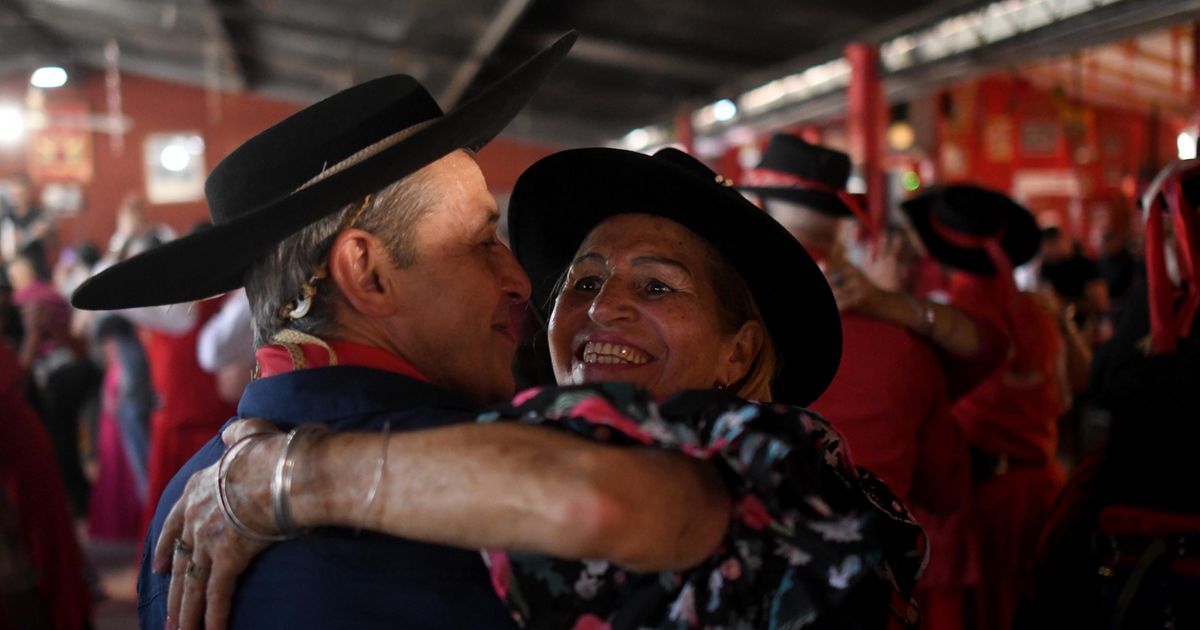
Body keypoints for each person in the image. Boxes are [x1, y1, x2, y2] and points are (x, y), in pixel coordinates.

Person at [148, 143, 925, 630]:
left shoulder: (201, 497)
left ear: (740, 352)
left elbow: (603, 497)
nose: (527, 282)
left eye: (658, 288)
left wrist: (281, 479)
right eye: (580, 281)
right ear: (369, 272)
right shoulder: (465, 491)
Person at [74, 33, 585, 630]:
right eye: (479, 243)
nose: (519, 279)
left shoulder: (189, 500)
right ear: (367, 273)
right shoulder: (502, 489)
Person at [743, 134, 971, 629]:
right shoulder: (905, 342)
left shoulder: (730, 329)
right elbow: (948, 489)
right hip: (872, 598)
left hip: (752, 595)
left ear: (758, 206)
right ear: (840, 219)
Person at [900, 184, 1067, 630]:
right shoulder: (1038, 312)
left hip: (982, 507)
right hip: (1044, 492)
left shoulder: (945, 321)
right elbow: (1067, 396)